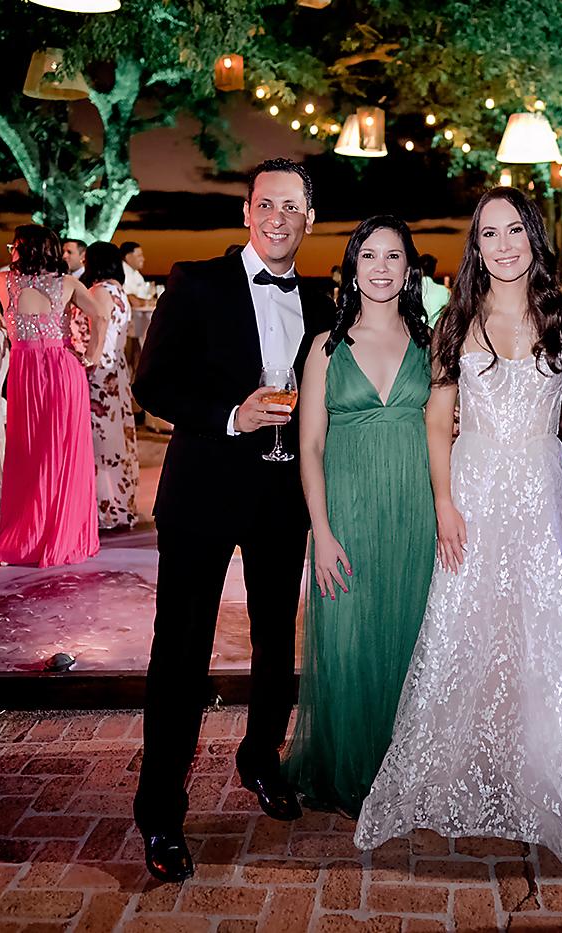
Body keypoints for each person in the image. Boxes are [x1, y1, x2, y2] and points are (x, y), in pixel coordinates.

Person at [355, 187, 562, 869]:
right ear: (476, 246)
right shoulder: (454, 319)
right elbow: (437, 420)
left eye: (514, 231)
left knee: (539, 629)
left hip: (540, 494)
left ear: (533, 238)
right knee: (464, 627)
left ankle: (542, 773)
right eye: (489, 234)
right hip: (470, 489)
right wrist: (443, 501)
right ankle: (454, 772)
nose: (502, 245)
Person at [130, 159, 334, 884]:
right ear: (248, 212)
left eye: (293, 207)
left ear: (309, 220)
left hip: (281, 498)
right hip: (201, 495)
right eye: (266, 204)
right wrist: (229, 415)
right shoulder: (196, 280)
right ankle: (160, 808)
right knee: (180, 652)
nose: (278, 217)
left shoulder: (320, 298)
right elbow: (151, 383)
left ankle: (260, 757)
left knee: (278, 641)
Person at [283, 216, 435, 816]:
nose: (379, 267)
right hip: (344, 513)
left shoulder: (431, 344)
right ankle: (352, 770)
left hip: (414, 515)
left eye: (392, 256)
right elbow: (310, 447)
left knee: (409, 640)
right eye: (367, 256)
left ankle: (406, 773)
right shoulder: (324, 347)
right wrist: (321, 531)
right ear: (351, 268)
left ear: (409, 269)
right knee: (347, 644)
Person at [0, 225, 110, 567]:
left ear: (22, 248)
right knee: (63, 454)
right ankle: (64, 534)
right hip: (64, 369)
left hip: (27, 370)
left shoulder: (3, 282)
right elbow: (100, 315)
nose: (9, 252)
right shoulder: (68, 283)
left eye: (12, 246)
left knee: (28, 453)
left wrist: (1, 320)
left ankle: (29, 536)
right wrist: (92, 354)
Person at [81, 241, 140, 529]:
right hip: (117, 369)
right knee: (116, 437)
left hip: (101, 373)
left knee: (100, 440)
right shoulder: (119, 291)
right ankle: (119, 504)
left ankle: (105, 509)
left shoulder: (99, 291)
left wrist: (87, 363)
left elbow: (99, 332)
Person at [419, 253, 450, 325]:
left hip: (415, 333)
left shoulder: (412, 290)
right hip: (436, 333)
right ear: (434, 270)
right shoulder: (444, 291)